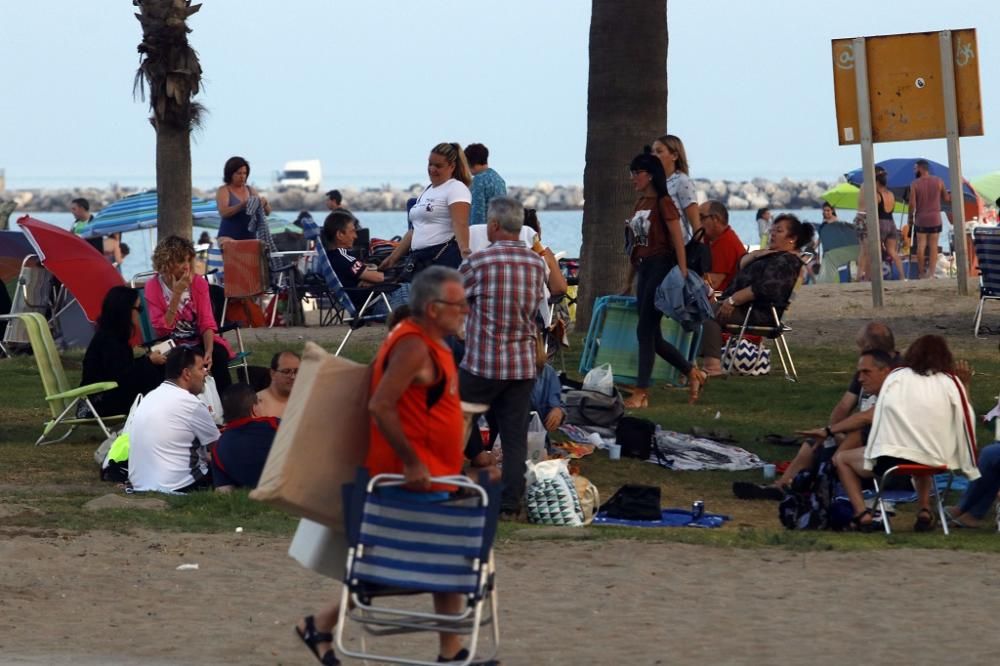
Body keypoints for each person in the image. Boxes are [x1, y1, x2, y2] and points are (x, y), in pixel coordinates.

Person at [297, 266, 492, 666]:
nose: (466, 312)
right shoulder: (413, 346)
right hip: (408, 481)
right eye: (459, 305)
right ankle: (322, 624)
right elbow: (381, 404)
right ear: (434, 308)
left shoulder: (430, 343)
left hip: (434, 478)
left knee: (440, 556)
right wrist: (412, 461)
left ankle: (448, 650)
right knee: (443, 555)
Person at [733, 323, 898, 501]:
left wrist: (834, 431)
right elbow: (844, 406)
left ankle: (819, 483)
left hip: (884, 441)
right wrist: (833, 431)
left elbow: (869, 417)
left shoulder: (896, 374)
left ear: (870, 348)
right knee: (815, 442)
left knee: (851, 436)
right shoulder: (867, 368)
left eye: (861, 348)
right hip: (859, 436)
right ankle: (782, 486)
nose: (861, 376)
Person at [834, 335, 979, 531]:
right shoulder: (951, 383)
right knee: (922, 450)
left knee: (842, 459)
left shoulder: (898, 378)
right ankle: (925, 509)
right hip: (938, 459)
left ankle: (862, 513)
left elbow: (876, 414)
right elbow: (965, 418)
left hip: (894, 460)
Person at [460, 197, 546, 517]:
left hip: (483, 362)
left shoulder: (478, 262)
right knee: (514, 438)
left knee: (454, 410)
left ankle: (463, 467)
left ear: (494, 226)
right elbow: (536, 304)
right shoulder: (536, 264)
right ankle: (511, 504)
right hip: (521, 363)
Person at [621, 150, 702, 406]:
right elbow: (635, 245)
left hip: (661, 268)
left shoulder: (664, 203)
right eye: (632, 173)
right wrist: (628, 279)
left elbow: (678, 237)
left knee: (645, 330)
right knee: (652, 336)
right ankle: (691, 371)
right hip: (644, 268)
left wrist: (683, 269)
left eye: (637, 173)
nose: (633, 178)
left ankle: (641, 391)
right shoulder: (640, 204)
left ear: (650, 175)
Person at [700, 214, 813, 372]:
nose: (772, 233)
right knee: (697, 310)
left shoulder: (786, 261)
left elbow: (766, 287)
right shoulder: (774, 256)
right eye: (772, 229)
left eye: (778, 231)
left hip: (757, 312)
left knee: (708, 314)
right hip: (746, 307)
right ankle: (691, 365)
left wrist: (733, 300)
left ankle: (712, 367)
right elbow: (741, 263)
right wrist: (757, 254)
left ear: (792, 238)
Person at [145, 235, 233, 393]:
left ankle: (228, 409)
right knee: (163, 364)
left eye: (188, 260)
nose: (186, 266)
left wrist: (209, 351)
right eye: (180, 262)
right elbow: (162, 330)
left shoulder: (198, 283)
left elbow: (207, 322)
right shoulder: (153, 287)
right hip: (171, 343)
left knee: (218, 356)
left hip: (198, 340)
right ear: (166, 264)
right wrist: (177, 294)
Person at [127, 347, 220, 493]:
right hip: (178, 485)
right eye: (201, 368)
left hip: (140, 484)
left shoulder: (150, 396)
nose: (205, 372)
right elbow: (220, 450)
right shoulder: (191, 404)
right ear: (187, 374)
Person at [380, 143, 473, 275]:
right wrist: (392, 258)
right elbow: (415, 229)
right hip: (419, 259)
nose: (432, 169)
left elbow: (460, 223)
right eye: (430, 164)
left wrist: (464, 250)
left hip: (440, 259)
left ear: (452, 166)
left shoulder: (456, 188)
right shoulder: (427, 190)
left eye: (438, 166)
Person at [80, 285, 166, 417]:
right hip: (99, 403)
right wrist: (148, 360)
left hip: (108, 395)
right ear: (125, 310)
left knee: (159, 369)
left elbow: (124, 369)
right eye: (139, 308)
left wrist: (148, 358)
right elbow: (122, 376)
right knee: (158, 372)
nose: (140, 313)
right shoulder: (109, 340)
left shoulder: (112, 336)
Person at [211, 383, 278, 492]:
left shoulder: (218, 447)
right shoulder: (274, 424)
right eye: (259, 402)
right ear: (254, 409)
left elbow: (223, 491)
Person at [322, 209, 385, 309]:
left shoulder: (331, 256)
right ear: (340, 235)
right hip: (375, 304)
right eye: (352, 231)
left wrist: (368, 279)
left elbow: (362, 272)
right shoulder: (342, 257)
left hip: (364, 302)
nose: (355, 236)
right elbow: (379, 278)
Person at [651, 135, 700, 240]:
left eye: (659, 152)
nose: (654, 156)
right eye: (653, 152)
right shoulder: (655, 184)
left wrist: (699, 253)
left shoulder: (682, 181)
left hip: (679, 250)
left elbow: (696, 225)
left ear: (674, 156)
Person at [908, 159, 950, 279]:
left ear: (921, 168)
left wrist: (910, 218)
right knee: (933, 246)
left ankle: (921, 273)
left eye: (915, 168)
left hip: (921, 218)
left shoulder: (915, 184)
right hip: (935, 218)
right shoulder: (939, 181)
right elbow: (946, 198)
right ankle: (931, 273)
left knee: (921, 246)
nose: (914, 170)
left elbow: (912, 204)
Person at [215, 156, 271, 243]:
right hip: (228, 238)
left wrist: (265, 203)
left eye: (244, 173)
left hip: (249, 238)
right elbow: (223, 212)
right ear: (230, 174)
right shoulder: (224, 190)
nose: (242, 177)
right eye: (239, 173)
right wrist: (242, 205)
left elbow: (268, 213)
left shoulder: (251, 190)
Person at [700, 200, 746, 294]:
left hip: (721, 301)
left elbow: (713, 283)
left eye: (701, 217)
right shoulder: (712, 239)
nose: (697, 222)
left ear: (716, 219)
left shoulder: (726, 242)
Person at [464, 143, 507, 227]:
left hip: (483, 234)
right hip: (499, 231)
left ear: (469, 162)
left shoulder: (478, 180)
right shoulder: (499, 179)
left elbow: (477, 213)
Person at [256, 350, 300, 419]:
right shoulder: (258, 406)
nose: (293, 377)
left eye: (297, 371)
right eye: (286, 372)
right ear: (273, 374)